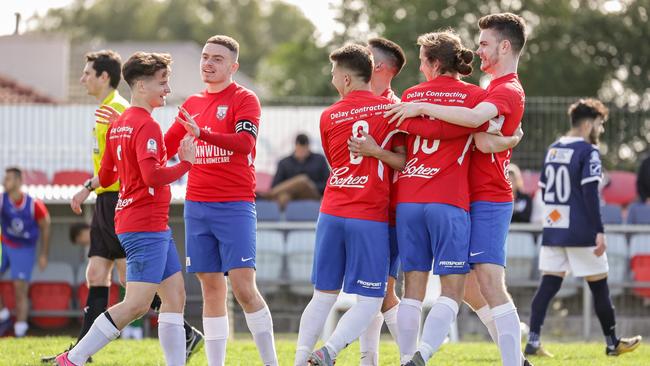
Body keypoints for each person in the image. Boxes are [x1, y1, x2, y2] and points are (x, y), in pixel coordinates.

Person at [386, 13, 529, 366]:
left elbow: (474, 126)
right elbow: (480, 139)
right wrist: (507, 139)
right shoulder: (485, 88)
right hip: (463, 197)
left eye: (484, 43)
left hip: (489, 197)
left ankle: (508, 361)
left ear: (505, 46)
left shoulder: (506, 89)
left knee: (489, 284)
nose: (478, 50)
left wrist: (420, 106)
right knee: (465, 287)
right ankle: (517, 359)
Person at [44, 50, 203, 364]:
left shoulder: (119, 124)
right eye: (163, 82)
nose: (168, 89)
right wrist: (186, 164)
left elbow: (105, 175)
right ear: (141, 86)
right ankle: (73, 359)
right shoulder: (144, 125)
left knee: (174, 297)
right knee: (136, 305)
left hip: (146, 223)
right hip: (144, 225)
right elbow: (152, 176)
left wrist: (86, 188)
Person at [167, 35, 278, 366]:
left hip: (235, 204)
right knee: (210, 288)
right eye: (204, 56)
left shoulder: (245, 99)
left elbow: (244, 143)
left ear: (233, 66)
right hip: (197, 205)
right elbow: (166, 145)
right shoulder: (192, 104)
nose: (208, 63)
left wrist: (202, 135)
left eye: (217, 58)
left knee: (244, 288)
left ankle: (271, 362)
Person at [293, 44, 401, 366]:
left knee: (322, 296)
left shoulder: (328, 115)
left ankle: (300, 361)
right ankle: (330, 350)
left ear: (347, 79)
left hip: (331, 210)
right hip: (369, 214)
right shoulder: (389, 111)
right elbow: (404, 162)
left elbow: (334, 160)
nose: (332, 81)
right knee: (370, 298)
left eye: (333, 75)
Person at [525, 98, 642, 357]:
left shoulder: (553, 148)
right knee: (599, 286)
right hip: (579, 229)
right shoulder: (588, 152)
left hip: (554, 227)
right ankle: (612, 343)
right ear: (589, 124)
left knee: (549, 285)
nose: (599, 131)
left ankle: (533, 340)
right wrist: (599, 230)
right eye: (599, 125)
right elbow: (591, 194)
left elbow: (545, 189)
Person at [354, 36, 406, 366]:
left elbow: (404, 161)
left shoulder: (395, 109)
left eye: (366, 57)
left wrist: (376, 152)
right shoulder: (355, 104)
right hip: (361, 211)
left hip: (387, 214)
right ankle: (369, 359)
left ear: (378, 67)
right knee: (368, 291)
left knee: (382, 293)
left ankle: (413, 357)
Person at [0, 167, 51, 337]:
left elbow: (46, 225)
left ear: (18, 181)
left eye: (8, 179)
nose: (4, 182)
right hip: (5, 244)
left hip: (24, 248)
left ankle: (20, 330)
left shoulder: (33, 204)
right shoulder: (2, 200)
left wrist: (43, 254)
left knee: (20, 289)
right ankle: (4, 316)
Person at [266, 133, 330, 210]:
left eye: (304, 149)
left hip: (313, 194)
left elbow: (328, 183)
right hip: (292, 195)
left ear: (308, 147)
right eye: (300, 149)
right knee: (283, 197)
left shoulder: (319, 160)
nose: (302, 152)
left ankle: (266, 196)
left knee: (302, 180)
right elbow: (275, 185)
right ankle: (282, 220)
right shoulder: (284, 163)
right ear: (296, 146)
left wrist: (313, 186)